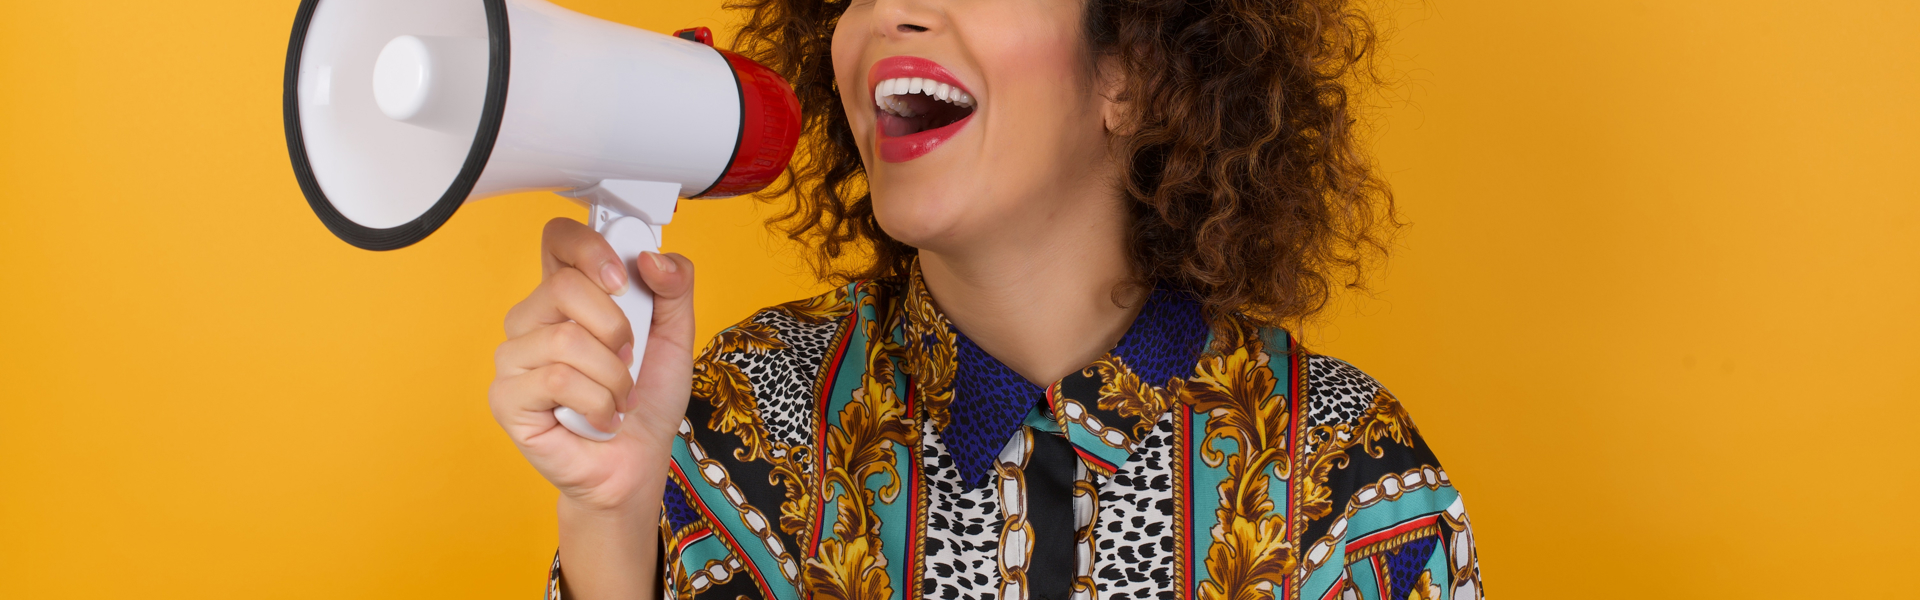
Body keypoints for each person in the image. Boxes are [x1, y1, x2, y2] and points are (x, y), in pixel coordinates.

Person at [487, 0, 1483, 595]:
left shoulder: (1349, 495)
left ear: (1132, 72)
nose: (892, 13)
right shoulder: (728, 436)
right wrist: (606, 521)